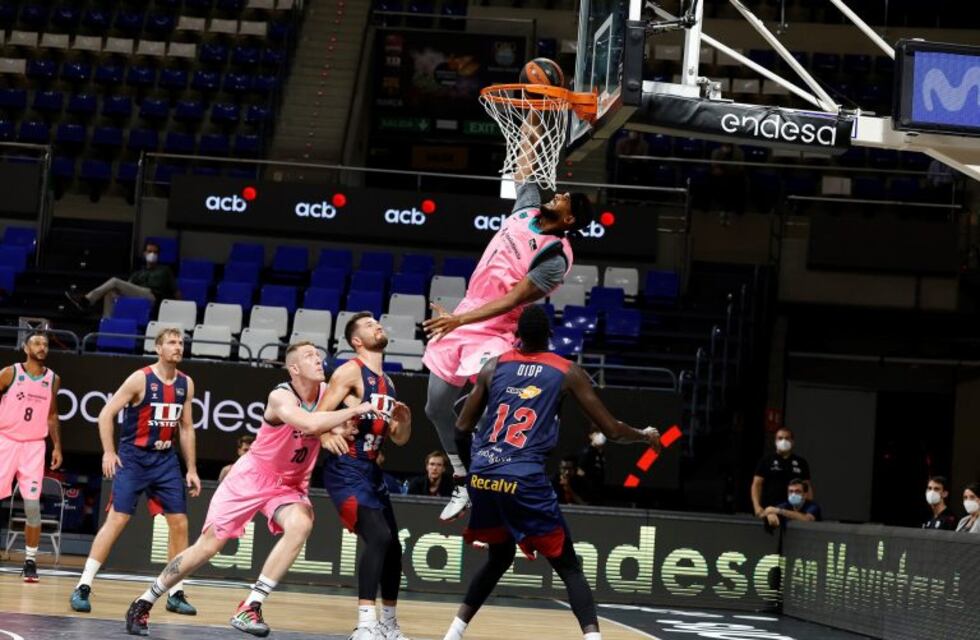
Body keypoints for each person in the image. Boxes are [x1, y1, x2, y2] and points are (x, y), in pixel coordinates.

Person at [442, 306, 661, 640]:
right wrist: (644, 435)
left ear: (517, 335)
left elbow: (460, 429)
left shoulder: (493, 365)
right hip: (522, 477)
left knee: (499, 557)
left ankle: (453, 634)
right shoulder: (566, 371)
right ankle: (593, 638)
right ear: (550, 336)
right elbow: (612, 430)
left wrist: (471, 477)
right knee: (568, 565)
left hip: (484, 473)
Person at [124, 341, 371, 637]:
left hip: (289, 484)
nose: (318, 360)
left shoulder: (328, 395)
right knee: (208, 547)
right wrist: (352, 413)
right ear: (294, 368)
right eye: (309, 357)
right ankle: (144, 600)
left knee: (301, 524)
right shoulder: (280, 396)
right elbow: (307, 422)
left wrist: (345, 426)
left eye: (318, 356)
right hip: (251, 477)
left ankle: (250, 605)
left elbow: (335, 424)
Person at [422, 136, 595, 522]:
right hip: (467, 313)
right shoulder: (525, 210)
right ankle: (462, 479)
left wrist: (459, 320)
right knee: (435, 406)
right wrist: (531, 115)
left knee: (486, 401)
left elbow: (514, 298)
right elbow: (526, 161)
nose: (560, 192)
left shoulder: (556, 256)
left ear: (568, 219)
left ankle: (497, 481)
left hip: (497, 326)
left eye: (567, 197)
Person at [70, 328, 200, 614]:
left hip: (166, 459)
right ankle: (83, 585)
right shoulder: (140, 378)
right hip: (134, 457)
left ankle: (175, 593)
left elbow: (187, 427)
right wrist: (108, 451)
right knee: (118, 519)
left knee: (180, 524)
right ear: (158, 348)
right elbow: (106, 414)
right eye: (171, 343)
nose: (178, 347)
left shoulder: (186, 384)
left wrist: (191, 468)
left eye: (180, 343)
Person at [318, 313, 414, 640]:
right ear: (357, 340)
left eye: (378, 322)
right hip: (346, 466)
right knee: (379, 537)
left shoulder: (388, 382)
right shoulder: (349, 371)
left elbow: (399, 439)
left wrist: (405, 422)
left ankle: (388, 624)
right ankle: (365, 624)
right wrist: (323, 436)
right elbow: (318, 415)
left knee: (394, 548)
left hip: (372, 469)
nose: (378, 325)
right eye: (370, 324)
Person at [0, 332, 62, 582]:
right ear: (25, 347)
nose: (42, 347)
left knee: (33, 507)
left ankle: (30, 561)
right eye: (36, 343)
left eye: (45, 344)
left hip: (35, 447)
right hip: (6, 441)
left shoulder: (53, 379)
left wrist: (57, 446)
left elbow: (52, 415)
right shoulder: (10, 373)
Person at [65, 240, 177, 317]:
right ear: (144, 253)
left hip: (152, 297)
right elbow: (127, 287)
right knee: (110, 293)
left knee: (114, 281)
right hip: (136, 297)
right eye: (149, 251)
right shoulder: (138, 273)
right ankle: (107, 322)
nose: (152, 254)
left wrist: (181, 306)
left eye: (155, 252)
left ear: (159, 255)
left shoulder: (165, 270)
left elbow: (175, 291)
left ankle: (86, 301)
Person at [751, 428, 813, 517]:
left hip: (793, 511)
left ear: (792, 442)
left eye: (787, 438)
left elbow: (807, 487)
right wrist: (757, 507)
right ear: (775, 441)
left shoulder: (801, 462)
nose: (783, 441)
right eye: (780, 438)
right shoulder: (766, 461)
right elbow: (756, 485)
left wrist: (809, 509)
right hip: (769, 511)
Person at [709, 142, 746, 224]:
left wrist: (734, 172)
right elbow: (714, 166)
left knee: (738, 183)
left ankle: (731, 210)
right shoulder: (716, 152)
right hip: (721, 177)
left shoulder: (739, 152)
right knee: (720, 183)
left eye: (728, 146)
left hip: (734, 176)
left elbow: (741, 168)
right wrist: (717, 169)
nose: (727, 147)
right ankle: (722, 209)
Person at [576, 426, 606, 501]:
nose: (601, 436)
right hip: (588, 493)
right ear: (590, 436)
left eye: (603, 433)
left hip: (598, 490)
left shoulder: (600, 453)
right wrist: (588, 486)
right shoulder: (588, 452)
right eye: (597, 433)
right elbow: (580, 471)